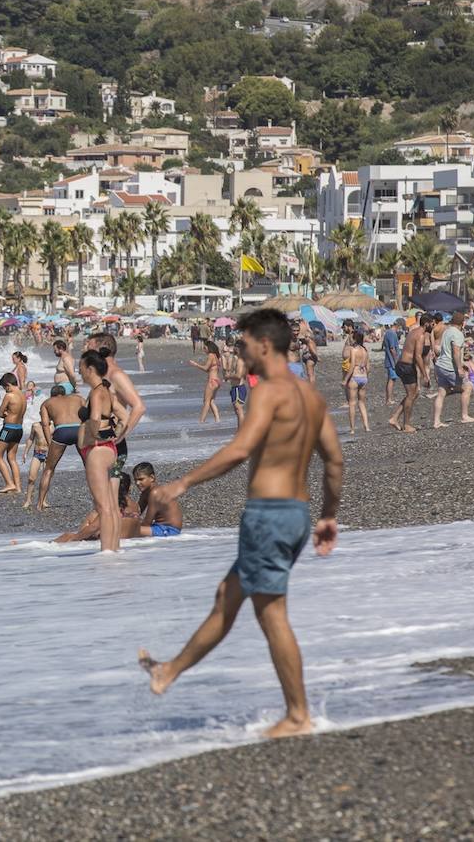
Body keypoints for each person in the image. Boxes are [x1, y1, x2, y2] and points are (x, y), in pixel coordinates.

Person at [137, 308, 343, 739]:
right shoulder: (311, 396)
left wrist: (182, 484)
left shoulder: (270, 391)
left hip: (268, 515)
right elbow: (334, 462)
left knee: (272, 616)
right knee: (226, 598)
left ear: (263, 345)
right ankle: (169, 671)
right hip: (296, 515)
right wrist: (327, 516)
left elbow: (238, 450)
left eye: (243, 343)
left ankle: (298, 715)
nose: (238, 350)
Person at [76, 350, 127, 552]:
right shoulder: (106, 391)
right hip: (109, 449)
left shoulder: (97, 392)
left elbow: (95, 418)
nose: (79, 373)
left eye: (81, 369)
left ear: (90, 369)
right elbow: (124, 416)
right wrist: (115, 435)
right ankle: (114, 549)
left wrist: (94, 436)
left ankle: (106, 552)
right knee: (110, 506)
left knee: (103, 507)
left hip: (96, 450)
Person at [87, 333, 145, 479]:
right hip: (98, 442)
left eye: (90, 348)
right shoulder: (102, 375)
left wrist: (120, 435)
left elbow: (139, 407)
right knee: (104, 495)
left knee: (110, 494)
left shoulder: (116, 375)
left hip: (113, 444)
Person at [36, 384, 84, 511]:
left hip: (61, 431)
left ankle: (40, 504)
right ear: (65, 393)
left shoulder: (47, 403)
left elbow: (45, 425)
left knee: (49, 469)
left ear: (52, 395)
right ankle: (100, 500)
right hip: (79, 430)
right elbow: (88, 415)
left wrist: (49, 442)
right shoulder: (77, 398)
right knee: (90, 467)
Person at [54, 472, 140, 543]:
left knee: (68, 535)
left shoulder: (114, 505)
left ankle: (46, 547)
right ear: (129, 488)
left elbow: (93, 527)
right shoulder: (135, 505)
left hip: (110, 542)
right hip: (128, 541)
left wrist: (73, 538)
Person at [432, 308, 474, 428]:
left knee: (441, 392)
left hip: (440, 366)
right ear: (462, 323)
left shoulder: (447, 331)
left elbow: (446, 350)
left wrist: (461, 364)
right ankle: (464, 416)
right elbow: (456, 351)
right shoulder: (457, 334)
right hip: (449, 367)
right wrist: (459, 368)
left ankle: (436, 421)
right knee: (467, 387)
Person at [0, 372, 27, 494]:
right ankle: (18, 487)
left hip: (8, 429)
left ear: (8, 385)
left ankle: (9, 483)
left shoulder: (9, 396)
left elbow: (0, 413)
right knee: (12, 458)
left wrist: (6, 413)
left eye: (4, 388)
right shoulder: (23, 396)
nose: (5, 391)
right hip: (19, 429)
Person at [387, 318, 423, 432]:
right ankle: (406, 424)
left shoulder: (412, 332)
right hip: (404, 365)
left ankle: (394, 418)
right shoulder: (418, 334)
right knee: (411, 394)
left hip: (403, 364)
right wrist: (425, 374)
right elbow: (417, 355)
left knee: (413, 394)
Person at [133, 462, 183, 537]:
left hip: (170, 530)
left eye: (141, 479)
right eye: (135, 480)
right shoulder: (145, 492)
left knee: (130, 531)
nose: (137, 483)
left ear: (152, 478)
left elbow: (147, 523)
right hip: (158, 526)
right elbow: (136, 513)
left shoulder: (155, 493)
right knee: (126, 528)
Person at [344, 330, 371, 434]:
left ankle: (352, 429)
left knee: (352, 403)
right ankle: (367, 427)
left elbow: (351, 366)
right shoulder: (365, 350)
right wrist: (366, 376)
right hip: (363, 377)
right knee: (362, 403)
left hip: (354, 376)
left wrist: (345, 380)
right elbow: (368, 367)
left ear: (355, 338)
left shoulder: (353, 350)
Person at [189, 340, 222, 423]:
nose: (204, 350)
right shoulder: (216, 356)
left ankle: (202, 420)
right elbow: (211, 369)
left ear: (209, 348)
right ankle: (217, 419)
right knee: (211, 401)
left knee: (206, 401)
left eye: (205, 348)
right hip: (217, 381)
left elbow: (206, 368)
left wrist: (195, 364)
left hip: (212, 381)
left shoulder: (211, 355)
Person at [21, 418, 50, 510]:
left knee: (45, 478)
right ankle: (28, 500)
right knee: (31, 478)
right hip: (37, 454)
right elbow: (30, 439)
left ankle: (43, 500)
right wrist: (25, 452)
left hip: (48, 454)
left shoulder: (53, 426)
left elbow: (56, 441)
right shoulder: (36, 426)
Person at [223, 338, 247, 426]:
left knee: (239, 410)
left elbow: (238, 376)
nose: (234, 348)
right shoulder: (237, 359)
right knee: (237, 411)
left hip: (238, 387)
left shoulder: (240, 361)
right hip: (236, 387)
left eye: (236, 347)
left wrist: (228, 376)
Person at [382, 318, 403, 406]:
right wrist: (396, 361)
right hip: (391, 361)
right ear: (399, 325)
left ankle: (389, 398)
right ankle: (388, 399)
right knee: (392, 379)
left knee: (391, 379)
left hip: (390, 360)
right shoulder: (391, 333)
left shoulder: (389, 332)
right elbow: (392, 349)